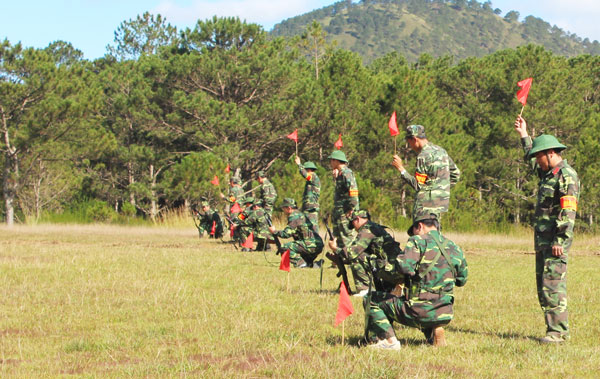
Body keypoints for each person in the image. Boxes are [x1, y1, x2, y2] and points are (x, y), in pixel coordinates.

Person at [514, 116, 580, 344]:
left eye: (539, 156)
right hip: (543, 241)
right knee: (544, 287)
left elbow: (568, 211)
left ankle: (558, 333)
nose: (536, 161)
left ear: (551, 153)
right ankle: (553, 330)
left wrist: (560, 241)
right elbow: (531, 163)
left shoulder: (566, 176)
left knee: (553, 286)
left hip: (555, 243)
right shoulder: (548, 173)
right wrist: (524, 135)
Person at [365, 213, 468, 350]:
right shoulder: (454, 246)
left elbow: (403, 268)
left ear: (419, 226)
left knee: (371, 299)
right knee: (425, 305)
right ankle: (433, 331)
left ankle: (389, 341)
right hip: (445, 312)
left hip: (418, 311)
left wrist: (381, 269)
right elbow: (462, 280)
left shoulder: (417, 241)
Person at [392, 124, 460, 224]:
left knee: (422, 236)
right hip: (440, 204)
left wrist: (401, 169)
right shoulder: (441, 151)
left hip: (425, 205)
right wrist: (441, 190)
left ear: (414, 139)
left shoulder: (423, 156)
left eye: (409, 142)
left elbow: (418, 185)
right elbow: (456, 174)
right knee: (435, 235)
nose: (409, 146)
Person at [327, 209, 403, 297]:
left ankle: (365, 290)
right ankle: (389, 289)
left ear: (358, 219)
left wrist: (335, 248)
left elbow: (352, 253)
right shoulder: (374, 227)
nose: (354, 229)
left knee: (358, 256)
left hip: (391, 269)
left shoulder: (367, 230)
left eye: (353, 224)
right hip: (393, 267)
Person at [268, 198, 324, 268]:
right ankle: (311, 264)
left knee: (284, 247)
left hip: (309, 245)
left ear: (289, 208)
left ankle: (301, 264)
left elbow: (286, 234)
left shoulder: (294, 216)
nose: (283, 211)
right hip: (318, 245)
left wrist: (274, 231)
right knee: (303, 255)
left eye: (283, 208)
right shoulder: (301, 214)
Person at [294, 155, 321, 234]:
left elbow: (305, 175)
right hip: (308, 208)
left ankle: (317, 244)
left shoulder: (313, 176)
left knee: (313, 228)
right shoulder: (311, 179)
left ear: (308, 169)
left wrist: (299, 164)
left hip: (311, 208)